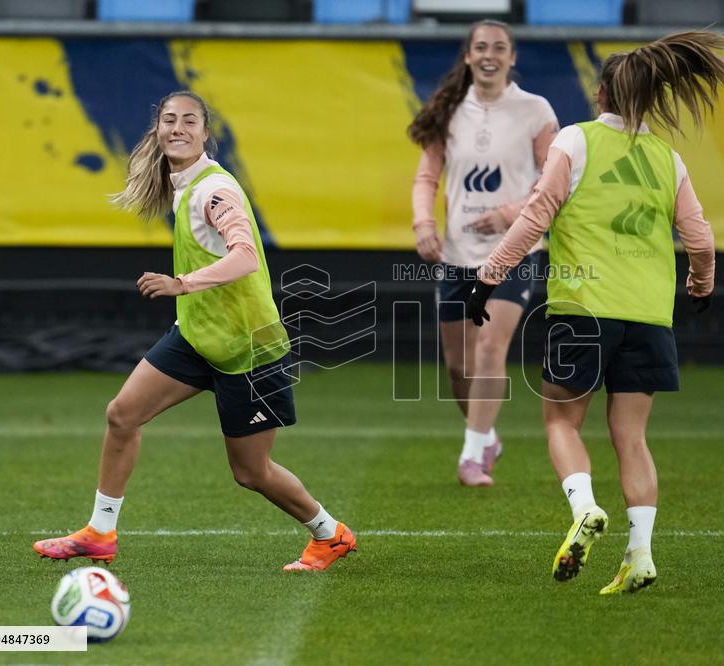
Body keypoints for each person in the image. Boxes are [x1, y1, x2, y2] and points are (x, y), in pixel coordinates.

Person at [33, 91, 356, 572]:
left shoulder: (214, 190)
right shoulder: (184, 185)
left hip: (248, 347)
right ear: (158, 129)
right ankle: (99, 533)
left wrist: (179, 284)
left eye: (189, 121)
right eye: (169, 120)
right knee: (122, 415)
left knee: (251, 472)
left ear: (207, 133)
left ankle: (330, 534)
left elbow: (246, 257)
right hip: (198, 336)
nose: (177, 128)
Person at [467, 32, 724, 591]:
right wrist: (701, 284)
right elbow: (700, 238)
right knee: (632, 438)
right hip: (650, 316)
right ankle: (640, 555)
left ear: (601, 93)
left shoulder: (576, 140)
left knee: (561, 421)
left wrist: (488, 277)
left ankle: (585, 509)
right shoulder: (668, 159)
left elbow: (536, 217)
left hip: (584, 309)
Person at [408, 19, 559, 487]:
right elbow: (426, 178)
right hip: (457, 256)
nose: (489, 55)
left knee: (491, 347)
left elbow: (553, 180)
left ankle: (471, 457)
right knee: (459, 369)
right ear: (468, 56)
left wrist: (510, 214)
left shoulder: (536, 111)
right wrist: (424, 223)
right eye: (481, 47)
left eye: (499, 48)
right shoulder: (449, 111)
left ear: (512, 58)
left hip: (514, 252)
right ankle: (486, 437)